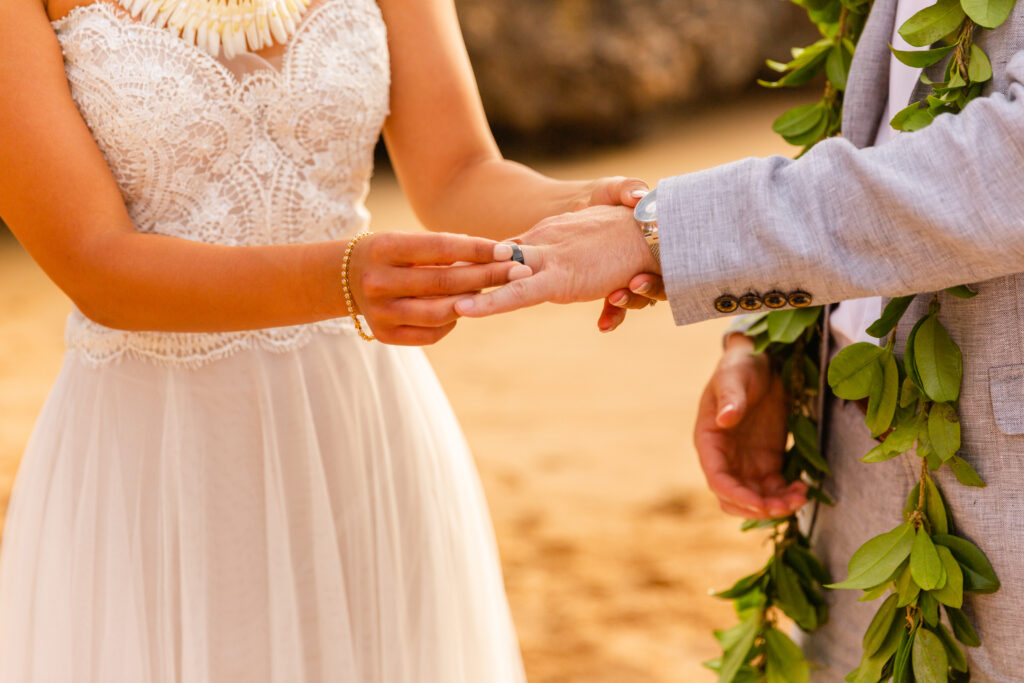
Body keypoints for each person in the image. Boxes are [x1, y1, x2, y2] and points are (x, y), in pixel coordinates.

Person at [0, 0, 647, 680]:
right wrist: (344, 278)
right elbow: (94, 263)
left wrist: (591, 212)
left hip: (361, 429)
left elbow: (458, 173)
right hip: (157, 458)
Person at [456, 0, 1024, 678]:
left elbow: (1006, 168)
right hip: (856, 444)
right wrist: (771, 339)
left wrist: (661, 234)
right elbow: (883, 126)